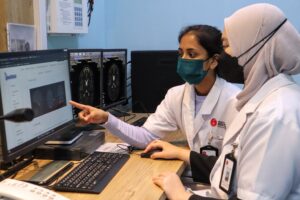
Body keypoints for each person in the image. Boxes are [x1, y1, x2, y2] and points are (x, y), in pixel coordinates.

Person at [147, 3, 300, 200]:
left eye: (227, 45)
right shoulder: (263, 100)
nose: (221, 56)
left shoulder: (274, 115)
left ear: (252, 49)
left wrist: (181, 196)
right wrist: (182, 154)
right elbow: (233, 171)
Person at [70, 25, 240, 155]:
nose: (183, 60)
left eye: (192, 54)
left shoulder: (235, 101)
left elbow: (236, 163)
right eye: (180, 53)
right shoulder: (177, 95)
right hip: (194, 177)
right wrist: (106, 118)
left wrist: (180, 154)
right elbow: (144, 137)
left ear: (213, 61)